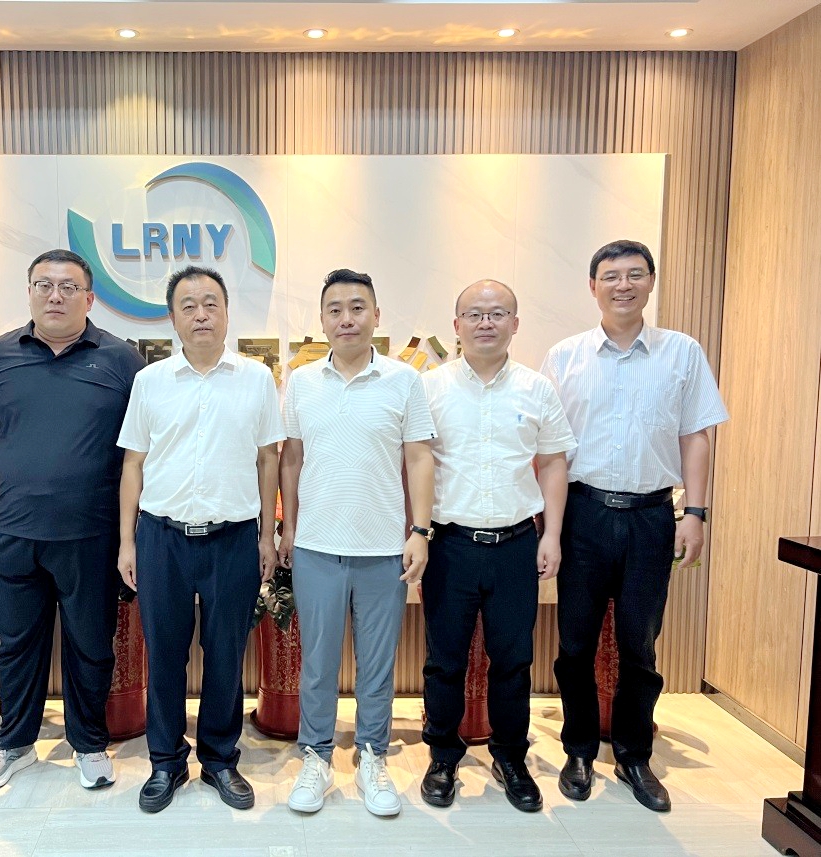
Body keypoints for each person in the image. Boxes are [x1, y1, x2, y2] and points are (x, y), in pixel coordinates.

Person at [541, 240, 728, 812]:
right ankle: (578, 750)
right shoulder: (565, 357)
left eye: (634, 275)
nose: (623, 285)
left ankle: (633, 755)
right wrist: (549, 526)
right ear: (592, 286)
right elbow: (547, 449)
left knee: (640, 644)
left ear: (650, 281)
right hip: (584, 512)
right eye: (611, 276)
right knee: (575, 642)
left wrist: (695, 512)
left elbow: (697, 435)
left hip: (652, 515)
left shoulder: (682, 352)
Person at [0, 249, 144, 790]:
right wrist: (23, 451)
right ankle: (14, 744)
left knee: (91, 646)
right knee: (15, 646)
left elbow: (140, 441)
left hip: (91, 532)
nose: (55, 295)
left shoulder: (122, 359)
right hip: (14, 530)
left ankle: (88, 744)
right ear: (29, 293)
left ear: (89, 298)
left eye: (68, 286)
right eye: (44, 285)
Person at [117, 265, 285, 813]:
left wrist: (267, 536)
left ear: (227, 312)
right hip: (161, 538)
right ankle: (166, 761)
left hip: (233, 539)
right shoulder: (150, 381)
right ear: (172, 318)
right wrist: (127, 543)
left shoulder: (256, 379)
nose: (201, 314)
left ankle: (219, 758)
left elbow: (268, 460)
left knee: (226, 653)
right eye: (188, 305)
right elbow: (133, 465)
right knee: (164, 654)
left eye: (211, 303)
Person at [278, 268, 436, 817]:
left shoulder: (403, 380)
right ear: (322, 320)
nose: (346, 319)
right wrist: (290, 528)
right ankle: (316, 757)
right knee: (318, 664)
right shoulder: (302, 382)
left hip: (383, 549)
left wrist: (420, 531)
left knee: (376, 665)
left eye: (357, 307)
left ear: (376, 315)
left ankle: (372, 755)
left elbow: (419, 457)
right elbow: (291, 459)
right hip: (317, 547)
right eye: (335, 310)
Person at [419, 279, 575, 813]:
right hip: (450, 544)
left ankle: (510, 757)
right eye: (474, 314)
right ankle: (442, 756)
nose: (486, 322)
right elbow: (412, 464)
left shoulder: (537, 389)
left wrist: (551, 534)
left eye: (497, 313)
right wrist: (415, 532)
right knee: (445, 660)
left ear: (515, 323)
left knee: (513, 659)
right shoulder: (429, 388)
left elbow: (553, 463)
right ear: (456, 324)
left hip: (515, 545)